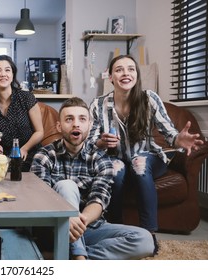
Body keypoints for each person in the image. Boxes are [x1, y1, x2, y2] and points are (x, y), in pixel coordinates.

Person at [87, 54, 204, 255]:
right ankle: (116, 228)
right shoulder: (98, 104)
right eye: (119, 69)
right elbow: (90, 141)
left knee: (139, 163)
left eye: (131, 69)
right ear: (111, 77)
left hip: (149, 158)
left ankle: (149, 232)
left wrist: (179, 140)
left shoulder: (149, 98)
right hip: (115, 159)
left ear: (136, 75)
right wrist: (101, 142)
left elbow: (169, 134)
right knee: (115, 169)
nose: (126, 73)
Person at [30, 97, 154, 260]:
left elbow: (98, 200)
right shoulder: (44, 156)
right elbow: (42, 199)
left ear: (89, 125)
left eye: (82, 119)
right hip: (54, 228)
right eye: (69, 119)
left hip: (89, 227)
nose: (76, 124)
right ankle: (79, 257)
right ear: (59, 126)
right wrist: (67, 219)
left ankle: (64, 256)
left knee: (145, 241)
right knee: (67, 186)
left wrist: (77, 221)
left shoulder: (102, 159)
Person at [0, 55, 43, 171]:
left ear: (12, 75)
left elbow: (39, 132)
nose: (3, 74)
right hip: (4, 157)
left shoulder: (26, 97)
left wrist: (24, 149)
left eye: (7, 70)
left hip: (29, 153)